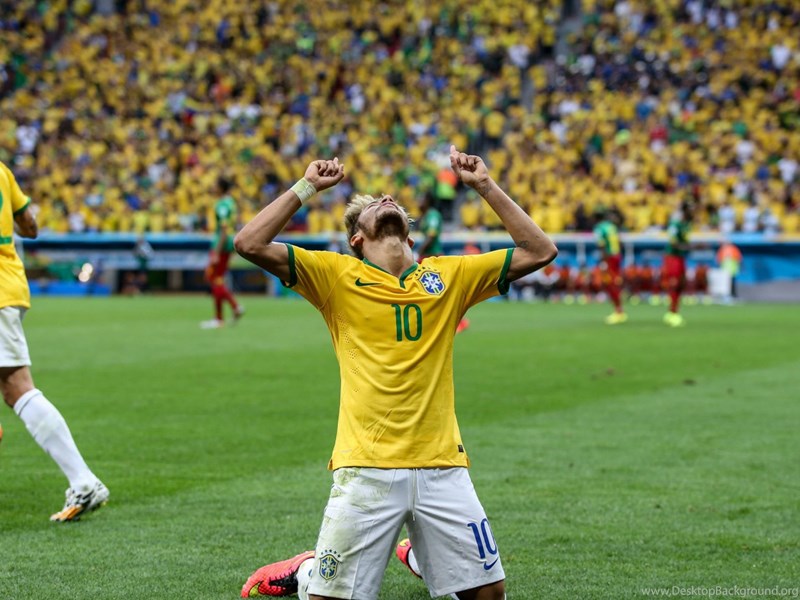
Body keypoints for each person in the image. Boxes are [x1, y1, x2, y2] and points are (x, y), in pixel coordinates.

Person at [234, 146, 557, 600]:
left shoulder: (450, 276)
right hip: (366, 466)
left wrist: (485, 185)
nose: (386, 198)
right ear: (356, 238)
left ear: (410, 232)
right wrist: (306, 187)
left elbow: (541, 250)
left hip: (441, 463)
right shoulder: (334, 275)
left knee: (489, 596)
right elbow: (248, 243)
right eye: (372, 205)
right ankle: (308, 571)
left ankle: (421, 557)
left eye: (393, 202)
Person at [0, 161, 109, 521]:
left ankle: (83, 481)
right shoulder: (3, 171)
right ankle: (83, 481)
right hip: (10, 283)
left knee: (18, 386)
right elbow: (29, 225)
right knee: (12, 387)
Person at [417, 193, 470, 333]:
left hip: (433, 257)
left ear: (428, 200)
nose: (418, 202)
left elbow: (431, 236)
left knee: (441, 291)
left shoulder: (433, 215)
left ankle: (459, 322)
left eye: (421, 199)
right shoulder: (425, 215)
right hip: (426, 258)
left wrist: (418, 252)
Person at [201, 177, 244, 328]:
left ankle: (226, 313)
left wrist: (216, 252)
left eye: (215, 185)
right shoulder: (231, 202)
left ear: (220, 188)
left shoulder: (222, 205)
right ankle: (230, 311)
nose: (212, 187)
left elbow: (224, 228)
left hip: (221, 244)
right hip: (227, 243)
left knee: (213, 277)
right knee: (216, 278)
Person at [662, 202, 693, 327]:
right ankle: (672, 313)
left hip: (680, 257)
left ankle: (673, 311)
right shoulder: (675, 225)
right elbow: (673, 243)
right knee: (674, 283)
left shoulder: (687, 225)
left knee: (681, 284)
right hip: (672, 257)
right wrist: (689, 247)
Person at [593, 208, 626, 324]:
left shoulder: (599, 228)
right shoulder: (612, 226)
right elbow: (620, 242)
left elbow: (601, 245)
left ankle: (619, 312)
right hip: (617, 256)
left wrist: (603, 260)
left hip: (609, 258)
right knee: (614, 281)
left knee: (610, 283)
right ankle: (619, 309)